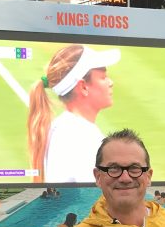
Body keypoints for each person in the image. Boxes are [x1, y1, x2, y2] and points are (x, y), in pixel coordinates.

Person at [27, 44, 120, 184]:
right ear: (83, 87)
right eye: (103, 77)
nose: (110, 82)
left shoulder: (62, 128)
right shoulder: (82, 138)